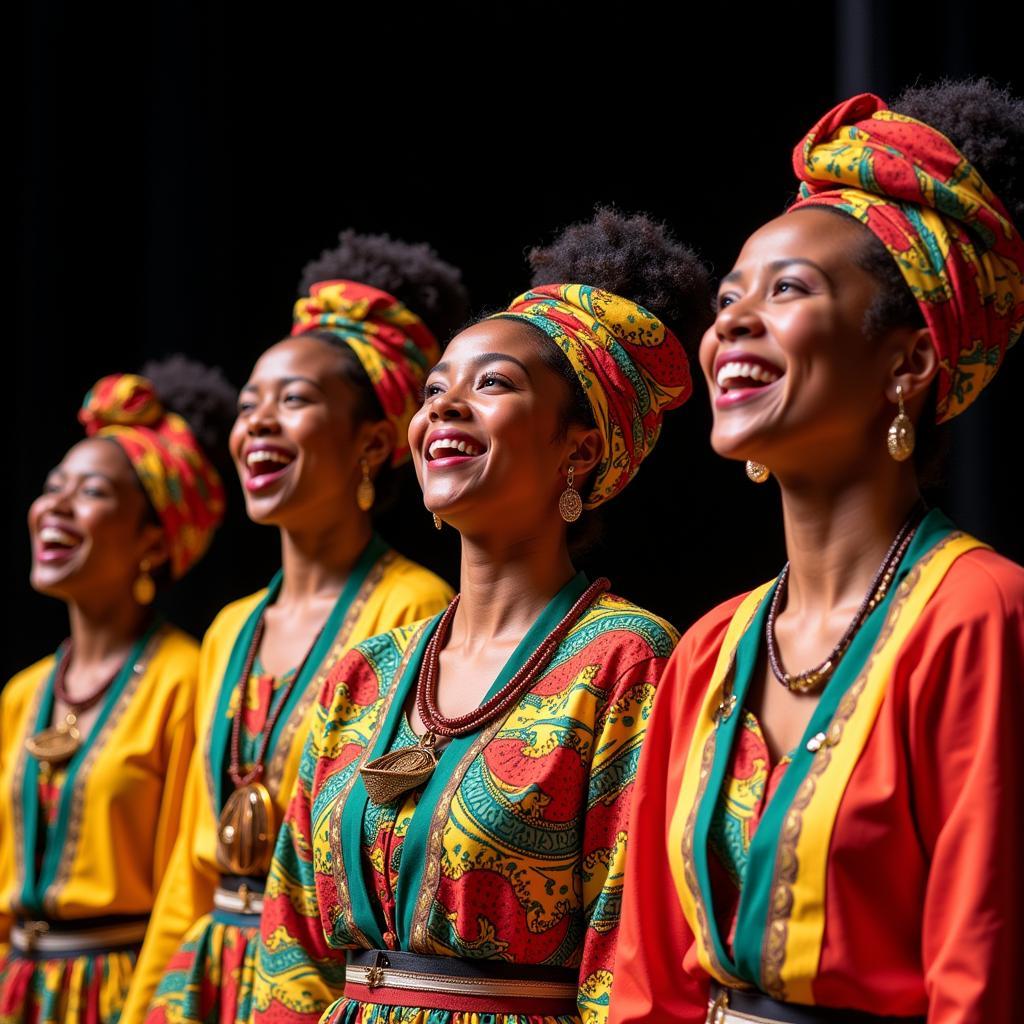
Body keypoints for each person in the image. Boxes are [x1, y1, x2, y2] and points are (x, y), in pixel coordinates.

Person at [610, 81, 1024, 1024]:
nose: (730, 326)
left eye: (788, 290)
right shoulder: (709, 650)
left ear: (909, 364)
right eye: (727, 299)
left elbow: (984, 975)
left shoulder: (982, 616)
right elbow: (647, 981)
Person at [253, 209, 713, 1024]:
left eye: (492, 383)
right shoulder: (369, 669)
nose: (445, 409)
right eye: (434, 392)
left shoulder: (627, 661)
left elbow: (626, 957)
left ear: (579, 449)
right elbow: (290, 948)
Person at [123, 232, 464, 1024]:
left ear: (375, 444)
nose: (259, 425)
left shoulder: (415, 610)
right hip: (205, 972)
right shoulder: (228, 629)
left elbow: (386, 856)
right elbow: (187, 857)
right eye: (248, 407)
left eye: (294, 401)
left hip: (318, 979)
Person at [0, 359, 232, 1024]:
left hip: (120, 991)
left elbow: (178, 892)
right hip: (20, 989)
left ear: (155, 541)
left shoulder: (183, 680)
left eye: (92, 493)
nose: (54, 507)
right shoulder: (24, 693)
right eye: (53, 486)